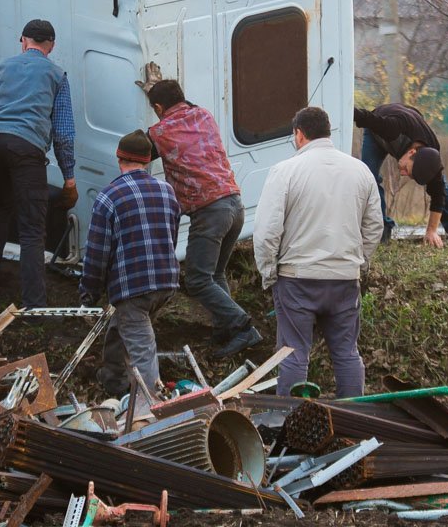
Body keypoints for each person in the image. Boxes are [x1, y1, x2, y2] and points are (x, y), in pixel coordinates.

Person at [253, 107, 383, 398]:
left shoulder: (285, 171)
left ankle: (289, 422)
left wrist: (269, 272)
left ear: (299, 135)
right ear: (328, 132)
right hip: (345, 279)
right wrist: (358, 262)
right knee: (347, 353)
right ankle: (354, 422)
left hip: (297, 278)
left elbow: (266, 230)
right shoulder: (360, 170)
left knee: (293, 353)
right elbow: (374, 225)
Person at [145, 79, 261, 358]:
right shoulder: (204, 115)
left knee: (197, 279)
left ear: (159, 108)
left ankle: (243, 327)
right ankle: (226, 329)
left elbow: (138, 152)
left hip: (210, 212)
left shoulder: (159, 131)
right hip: (235, 205)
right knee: (215, 273)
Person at [0, 19, 78, 306]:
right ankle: (35, 304)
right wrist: (69, 178)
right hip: (26, 147)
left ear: (23, 41)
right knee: (32, 226)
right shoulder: (57, 75)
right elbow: (64, 134)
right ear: (51, 46)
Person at [79, 130, 182, 398]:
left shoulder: (108, 197)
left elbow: (97, 253)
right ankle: (114, 380)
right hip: (166, 282)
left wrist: (89, 292)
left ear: (118, 158)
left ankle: (152, 407)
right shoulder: (167, 191)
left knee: (141, 348)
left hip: (133, 288)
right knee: (122, 326)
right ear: (148, 161)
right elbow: (171, 236)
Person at [353, 103, 448, 247]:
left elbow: (438, 194)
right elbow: (365, 117)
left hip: (412, 120)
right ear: (411, 153)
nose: (403, 174)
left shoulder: (432, 151)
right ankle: (382, 230)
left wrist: (431, 230)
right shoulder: (391, 128)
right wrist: (346, 108)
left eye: (407, 173)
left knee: (438, 182)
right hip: (378, 130)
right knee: (369, 177)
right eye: (406, 169)